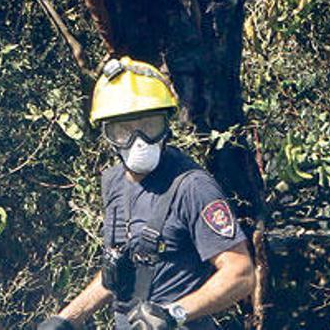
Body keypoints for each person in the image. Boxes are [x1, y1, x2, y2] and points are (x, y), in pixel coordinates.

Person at [39, 57, 254, 330]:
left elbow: (241, 274)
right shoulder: (113, 182)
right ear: (108, 135)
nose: (139, 141)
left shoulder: (192, 187)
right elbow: (118, 272)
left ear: (167, 124)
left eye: (150, 126)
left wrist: (173, 314)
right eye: (124, 130)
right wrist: (67, 318)